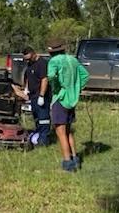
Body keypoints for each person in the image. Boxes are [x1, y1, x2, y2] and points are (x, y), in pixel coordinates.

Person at [46, 38, 89, 172]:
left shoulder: (54, 61)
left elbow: (51, 76)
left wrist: (57, 87)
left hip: (60, 99)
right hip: (72, 99)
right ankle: (75, 158)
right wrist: (76, 88)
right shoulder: (73, 60)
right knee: (68, 131)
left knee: (60, 132)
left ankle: (67, 163)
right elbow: (85, 75)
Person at [20, 46, 51, 146]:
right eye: (26, 59)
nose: (27, 61)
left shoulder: (41, 64)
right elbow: (28, 78)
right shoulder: (30, 64)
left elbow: (44, 79)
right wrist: (25, 90)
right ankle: (37, 137)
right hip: (32, 95)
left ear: (34, 54)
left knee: (43, 119)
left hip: (41, 95)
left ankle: (43, 139)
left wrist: (41, 95)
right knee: (37, 118)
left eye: (29, 58)